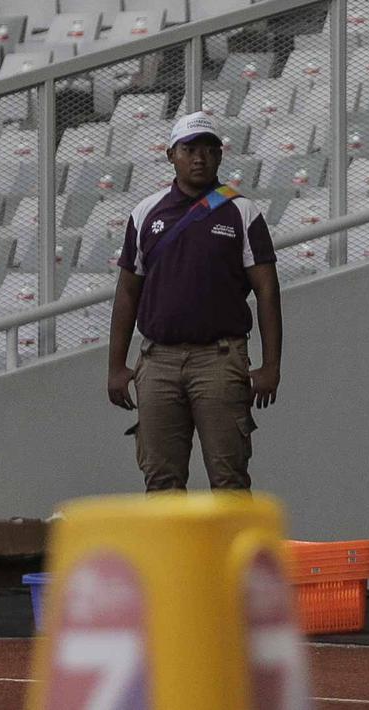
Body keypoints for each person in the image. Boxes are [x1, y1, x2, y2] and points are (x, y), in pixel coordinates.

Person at [106, 112, 283, 492]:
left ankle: (232, 555)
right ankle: (172, 555)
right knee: (161, 481)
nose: (199, 158)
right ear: (171, 154)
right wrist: (117, 365)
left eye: (208, 149)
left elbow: (268, 290)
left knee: (229, 480)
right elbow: (126, 291)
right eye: (189, 149)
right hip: (157, 361)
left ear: (220, 156)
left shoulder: (242, 211)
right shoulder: (144, 213)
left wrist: (271, 365)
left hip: (219, 359)